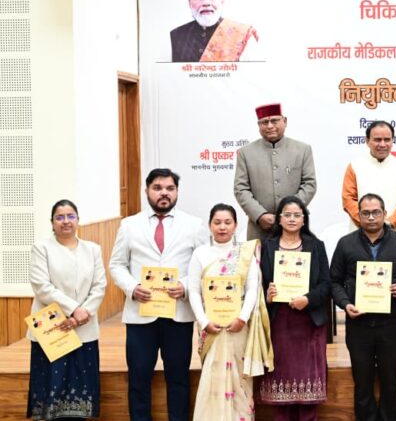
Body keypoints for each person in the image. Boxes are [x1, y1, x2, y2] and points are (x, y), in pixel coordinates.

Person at [109, 168, 205, 421]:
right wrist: (132, 288)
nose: (164, 193)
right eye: (158, 188)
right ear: (147, 191)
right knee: (139, 377)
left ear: (177, 192)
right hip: (141, 315)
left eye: (170, 188)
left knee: (178, 377)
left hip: (178, 314)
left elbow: (203, 265)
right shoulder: (129, 225)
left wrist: (185, 285)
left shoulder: (194, 225)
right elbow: (116, 264)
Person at [330, 193, 396, 421]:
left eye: (375, 212)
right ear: (358, 215)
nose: (370, 217)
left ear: (384, 214)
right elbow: (334, 281)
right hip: (358, 325)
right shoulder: (346, 244)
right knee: (362, 382)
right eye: (365, 213)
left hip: (390, 324)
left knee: (391, 382)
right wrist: (345, 304)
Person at [26, 200, 107, 420]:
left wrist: (82, 315)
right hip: (53, 329)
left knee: (81, 387)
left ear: (78, 220)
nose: (65, 221)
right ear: (52, 222)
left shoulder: (93, 249)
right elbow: (42, 286)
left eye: (70, 216)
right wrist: (74, 310)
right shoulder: (41, 248)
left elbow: (99, 286)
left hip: (84, 327)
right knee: (51, 387)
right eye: (59, 217)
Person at [187, 204, 269, 420]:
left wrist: (242, 318)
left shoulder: (245, 253)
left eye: (227, 222)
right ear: (209, 225)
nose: (222, 227)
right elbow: (193, 290)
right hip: (210, 326)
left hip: (238, 326)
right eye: (217, 222)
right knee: (212, 375)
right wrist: (203, 321)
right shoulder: (200, 254)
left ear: (235, 225)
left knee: (239, 377)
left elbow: (252, 288)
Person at [258, 196, 331, 420]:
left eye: (297, 215)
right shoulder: (267, 247)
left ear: (304, 219)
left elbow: (326, 284)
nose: (292, 219)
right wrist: (268, 296)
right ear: (279, 219)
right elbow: (258, 283)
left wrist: (308, 299)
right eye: (287, 215)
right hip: (280, 321)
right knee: (282, 375)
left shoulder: (316, 246)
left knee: (307, 379)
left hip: (308, 321)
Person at [234, 102, 317, 240]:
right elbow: (240, 188)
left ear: (285, 121)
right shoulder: (245, 153)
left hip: (295, 227)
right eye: (264, 122)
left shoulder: (302, 150)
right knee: (260, 255)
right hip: (259, 228)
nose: (270, 126)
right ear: (258, 125)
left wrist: (289, 213)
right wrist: (260, 215)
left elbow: (310, 184)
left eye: (274, 121)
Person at [342, 120, 396, 236]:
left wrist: (389, 223)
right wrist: (368, 223)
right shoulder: (354, 166)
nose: (382, 144)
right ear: (367, 141)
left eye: (387, 140)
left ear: (392, 141)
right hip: (361, 235)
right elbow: (348, 199)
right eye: (377, 140)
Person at [170, 0, 260, 62]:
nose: (206, 3)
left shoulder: (242, 34)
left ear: (222, 1)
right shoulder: (175, 35)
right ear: (190, 3)